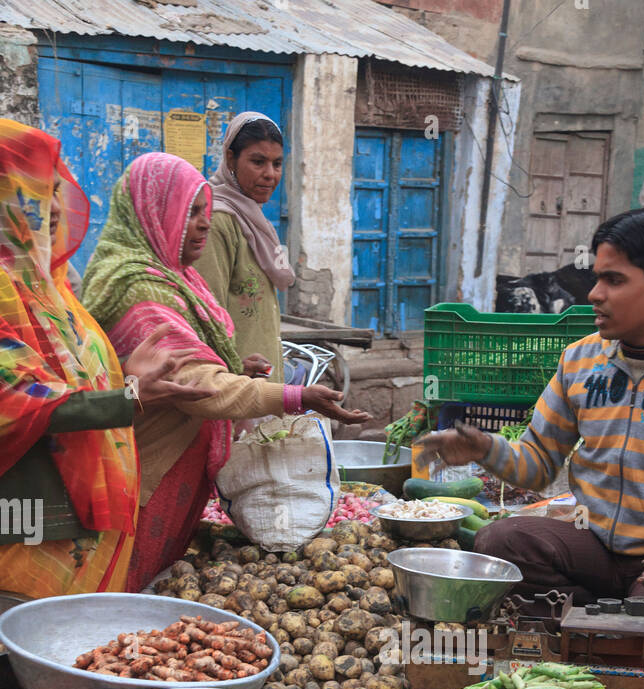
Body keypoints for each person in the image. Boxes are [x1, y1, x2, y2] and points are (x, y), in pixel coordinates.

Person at [419, 207, 644, 678]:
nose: (594, 294)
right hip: (592, 546)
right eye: (596, 278)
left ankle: (616, 623)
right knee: (497, 542)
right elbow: (537, 463)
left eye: (613, 280)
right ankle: (600, 620)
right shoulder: (580, 360)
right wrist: (484, 448)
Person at [82, 152, 368, 591]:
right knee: (129, 586)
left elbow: (200, 361)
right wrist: (294, 397)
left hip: (176, 461)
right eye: (189, 211)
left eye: (204, 211)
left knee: (159, 580)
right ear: (153, 213)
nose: (203, 223)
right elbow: (197, 385)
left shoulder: (177, 278)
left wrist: (235, 366)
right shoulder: (140, 289)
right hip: (148, 467)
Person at [0, 119, 207, 601]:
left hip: (76, 514)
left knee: (66, 653)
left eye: (54, 190)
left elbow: (72, 373)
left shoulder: (50, 285)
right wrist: (127, 397)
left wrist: (123, 371)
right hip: (25, 519)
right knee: (24, 652)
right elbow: (16, 401)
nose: (52, 207)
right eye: (30, 191)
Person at [197, 112, 292, 382]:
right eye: (258, 162)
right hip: (235, 383)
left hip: (262, 379)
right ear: (230, 159)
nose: (270, 175)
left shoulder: (254, 220)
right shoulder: (216, 221)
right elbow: (207, 311)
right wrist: (231, 367)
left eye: (277, 164)